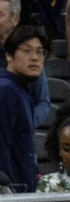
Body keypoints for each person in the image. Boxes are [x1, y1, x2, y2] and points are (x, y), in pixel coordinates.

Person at [0, 25, 48, 192]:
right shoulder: (6, 90)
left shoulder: (21, 90)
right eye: (26, 51)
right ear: (9, 56)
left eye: (39, 52)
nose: (34, 58)